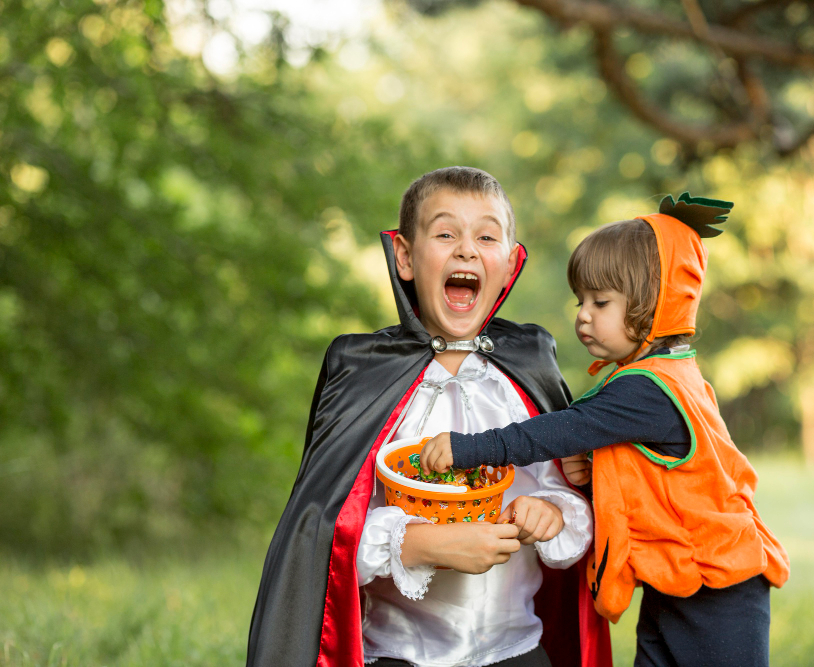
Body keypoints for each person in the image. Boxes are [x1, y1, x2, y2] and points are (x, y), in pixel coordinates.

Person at [246, 166, 611, 667]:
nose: (466, 249)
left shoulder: (530, 363)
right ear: (405, 256)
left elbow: (575, 495)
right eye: (445, 233)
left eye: (486, 235)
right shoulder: (362, 369)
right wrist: (419, 544)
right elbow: (322, 537)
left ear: (509, 262)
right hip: (400, 654)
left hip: (519, 650)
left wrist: (552, 512)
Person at [420, 193, 791, 667]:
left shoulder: (648, 388)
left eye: (601, 302)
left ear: (655, 305)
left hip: (720, 587)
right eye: (581, 300)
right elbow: (663, 481)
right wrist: (596, 474)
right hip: (675, 577)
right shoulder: (665, 373)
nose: (583, 315)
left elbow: (556, 431)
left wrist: (470, 448)